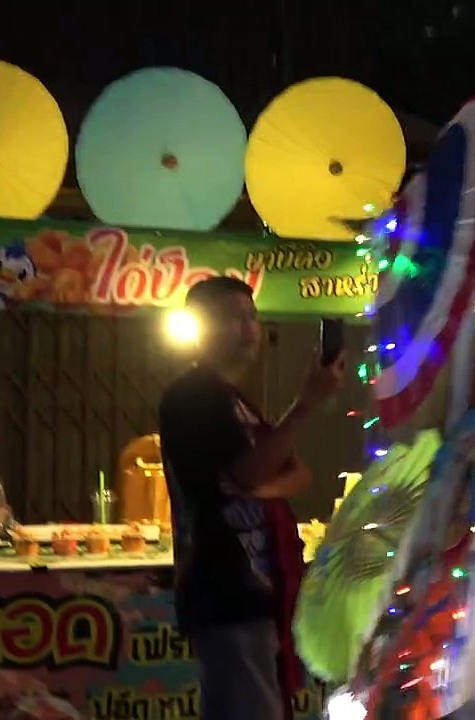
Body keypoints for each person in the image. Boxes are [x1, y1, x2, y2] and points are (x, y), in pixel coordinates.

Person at [159, 277, 344, 720]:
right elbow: (251, 469)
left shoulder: (234, 401)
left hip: (255, 590)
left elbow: (296, 473)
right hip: (225, 589)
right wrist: (303, 406)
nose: (247, 329)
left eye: (252, 318)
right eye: (231, 318)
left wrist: (255, 487)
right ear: (201, 327)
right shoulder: (191, 396)